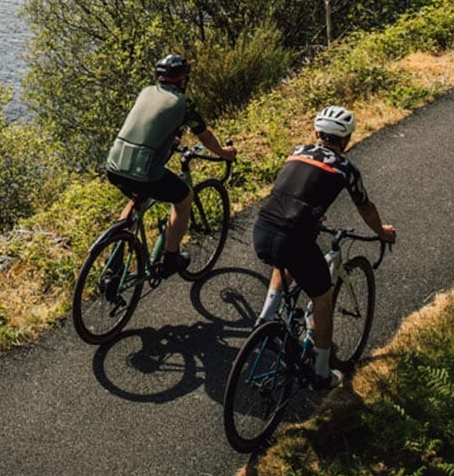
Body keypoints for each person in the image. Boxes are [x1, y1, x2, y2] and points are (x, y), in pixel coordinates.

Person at [253, 105, 396, 388]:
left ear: (316, 133)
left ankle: (265, 319)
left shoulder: (296, 151)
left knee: (284, 263)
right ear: (347, 140)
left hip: (263, 228)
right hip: (293, 236)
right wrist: (382, 231)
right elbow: (365, 207)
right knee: (322, 298)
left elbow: (292, 187)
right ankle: (321, 373)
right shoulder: (345, 168)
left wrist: (314, 212)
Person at [105, 53, 236, 277]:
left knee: (138, 199)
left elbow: (151, 126)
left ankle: (113, 262)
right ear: (182, 79)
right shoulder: (183, 103)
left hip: (114, 165)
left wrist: (170, 141)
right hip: (144, 171)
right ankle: (171, 258)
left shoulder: (146, 92)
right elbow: (203, 135)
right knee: (184, 198)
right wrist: (224, 153)